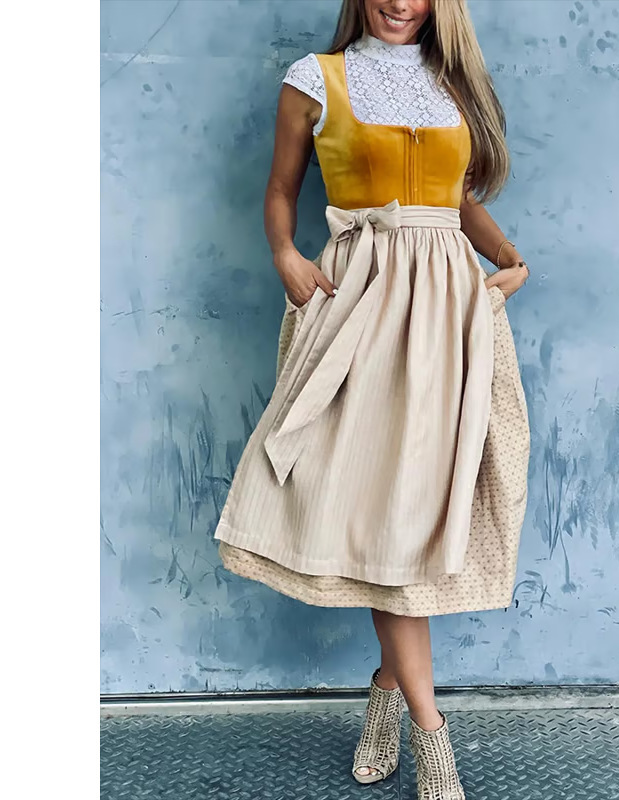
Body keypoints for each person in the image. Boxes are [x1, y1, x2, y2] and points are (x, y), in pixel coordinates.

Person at [213, 1, 531, 797]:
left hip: (450, 311)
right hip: (358, 305)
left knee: (414, 512)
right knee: (381, 509)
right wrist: (285, 254)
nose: (399, 1)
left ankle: (388, 690)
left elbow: (456, 201)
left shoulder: (453, 82)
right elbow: (280, 189)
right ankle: (432, 737)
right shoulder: (314, 80)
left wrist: (507, 256)